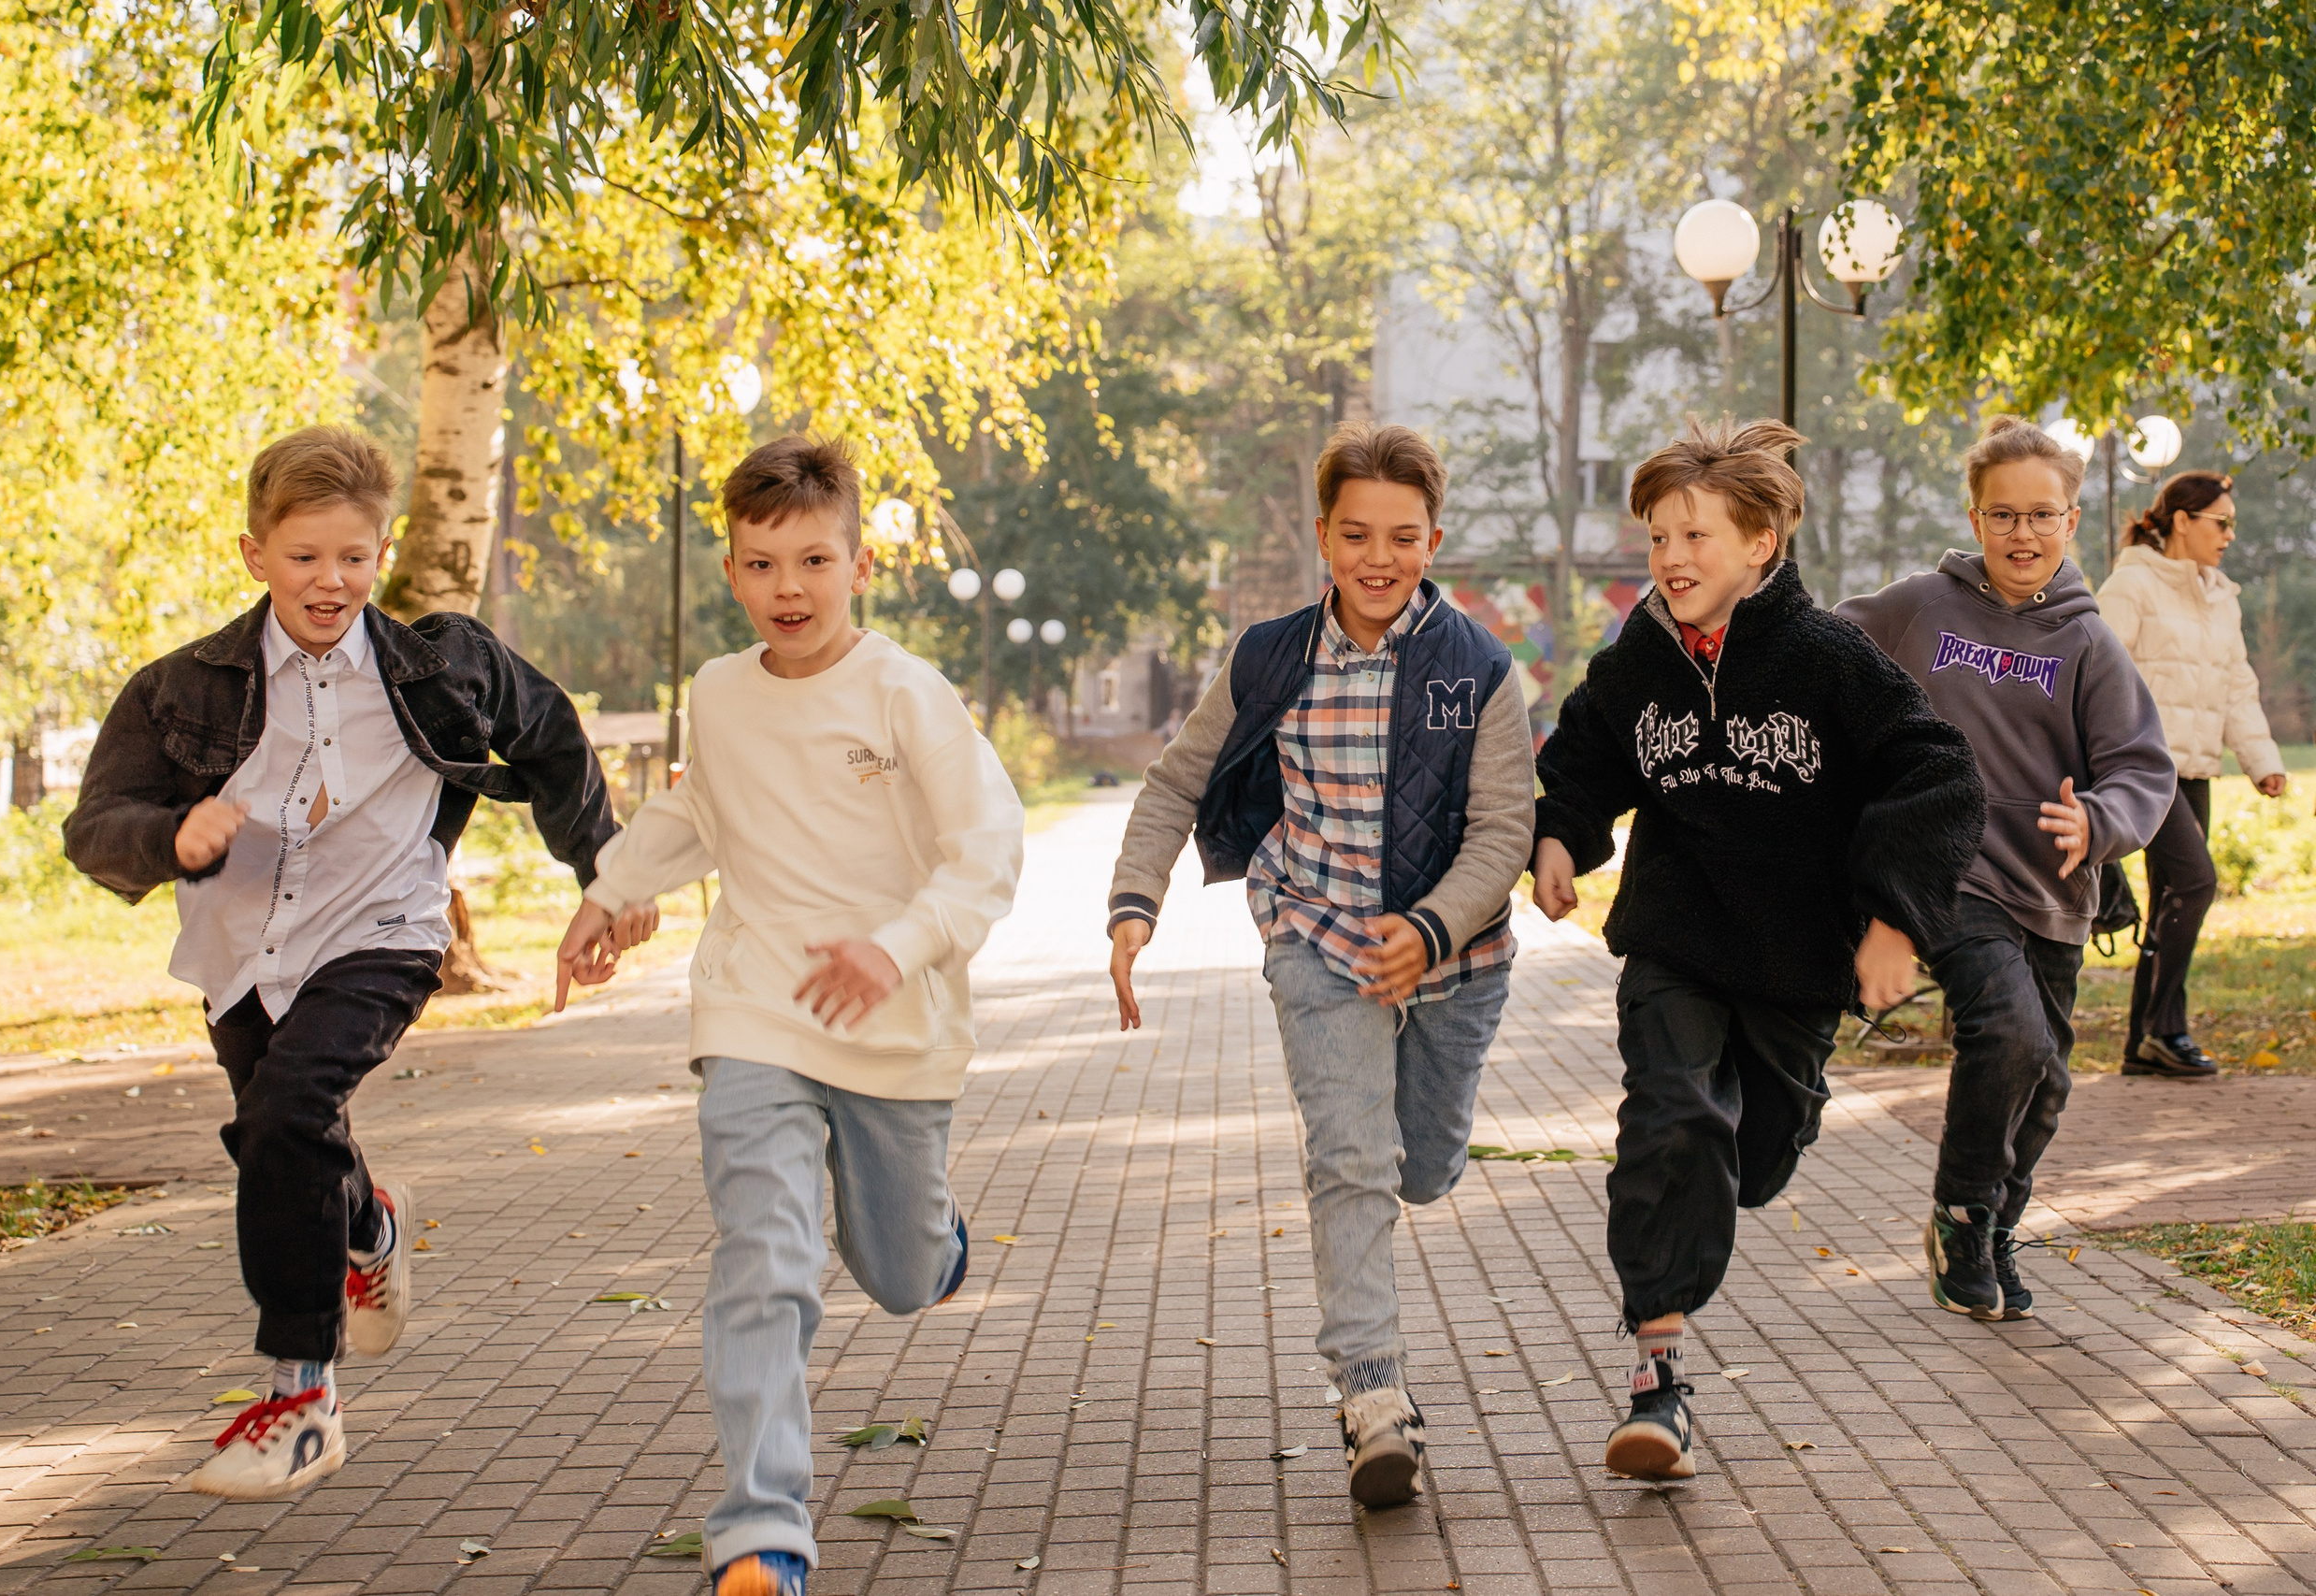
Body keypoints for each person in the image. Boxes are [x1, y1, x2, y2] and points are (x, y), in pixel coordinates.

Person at [63, 425, 623, 1500]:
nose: (332, 581)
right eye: (307, 556)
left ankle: (301, 1397)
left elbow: (550, 735)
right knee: (281, 1142)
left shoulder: (443, 665)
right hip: (242, 958)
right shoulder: (180, 688)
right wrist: (168, 835)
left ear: (381, 551)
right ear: (254, 554)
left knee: (285, 1118)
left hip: (384, 932)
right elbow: (96, 825)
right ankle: (370, 1224)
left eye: (355, 557)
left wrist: (606, 874)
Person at [558, 436, 1023, 1596]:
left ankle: (934, 1241)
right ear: (731, 571)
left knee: (902, 1275)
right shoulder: (717, 693)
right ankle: (762, 1531)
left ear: (858, 561)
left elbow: (986, 853)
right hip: (756, 1010)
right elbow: (699, 809)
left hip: (895, 1028)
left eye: (813, 560)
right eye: (762, 565)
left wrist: (897, 947)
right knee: (764, 1259)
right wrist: (611, 892)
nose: (789, 590)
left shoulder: (905, 693)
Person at [1530, 417, 1983, 1482]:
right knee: (1670, 1118)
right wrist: (1561, 837)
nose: (1671, 559)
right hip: (1675, 941)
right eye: (1655, 539)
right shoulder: (1639, 657)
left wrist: (1890, 920)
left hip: (1792, 961)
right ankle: (1656, 1375)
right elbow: (1585, 758)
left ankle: (1750, 1143)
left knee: (1759, 1149)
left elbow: (1937, 776)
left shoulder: (1828, 659)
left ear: (1759, 545)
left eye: (1693, 536)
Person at [1105, 421, 1534, 1511]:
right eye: (1355, 535)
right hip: (1316, 939)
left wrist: (1431, 929)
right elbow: (1172, 784)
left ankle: (1413, 1186)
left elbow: (1502, 832)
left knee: (1419, 1167)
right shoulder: (1268, 658)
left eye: (1400, 536)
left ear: (1433, 539)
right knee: (1349, 1157)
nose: (1376, 558)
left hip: (1452, 957)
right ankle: (1373, 1398)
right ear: (1322, 537)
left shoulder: (1479, 672)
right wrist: (1133, 905)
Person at [1839, 415, 2175, 1322]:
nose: (2020, 534)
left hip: (2052, 892)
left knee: (2049, 1077)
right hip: (1951, 876)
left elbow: (2143, 765)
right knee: (2013, 1038)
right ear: (1975, 518)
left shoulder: (2088, 643)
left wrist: (2098, 821)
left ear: (2071, 523)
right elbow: (1823, 649)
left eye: (2040, 515)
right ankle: (1958, 1215)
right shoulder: (1921, 608)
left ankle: (1992, 1226)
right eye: (2001, 515)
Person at [2095, 470, 2288, 1079]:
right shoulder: (2132, 584)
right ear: (2183, 520)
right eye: (2221, 522)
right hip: (2145, 766)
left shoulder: (2218, 594)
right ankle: (2163, 1028)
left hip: (2197, 767)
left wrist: (2263, 762)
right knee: (2197, 882)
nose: (2230, 534)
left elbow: (2237, 685)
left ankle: (2142, 1042)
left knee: (2174, 898)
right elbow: (2098, 673)